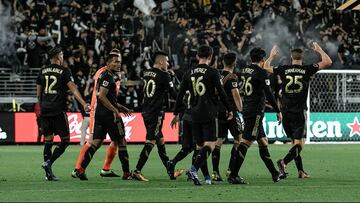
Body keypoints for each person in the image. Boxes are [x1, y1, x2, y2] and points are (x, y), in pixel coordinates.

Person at [264, 42, 332, 178]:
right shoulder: (307, 69)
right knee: (300, 144)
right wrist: (319, 50)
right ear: (302, 57)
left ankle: (300, 171)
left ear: (291, 57)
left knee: (294, 143)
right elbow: (328, 62)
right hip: (299, 111)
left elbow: (266, 67)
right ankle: (283, 162)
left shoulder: (283, 69)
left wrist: (271, 56)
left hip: (285, 111)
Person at [175, 45, 233, 186]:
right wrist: (229, 109)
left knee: (200, 148)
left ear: (197, 56)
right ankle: (194, 169)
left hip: (194, 114)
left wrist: (176, 112)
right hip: (208, 112)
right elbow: (221, 92)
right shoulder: (213, 72)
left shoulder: (188, 73)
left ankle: (206, 177)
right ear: (211, 57)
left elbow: (180, 95)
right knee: (211, 145)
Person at [73, 49, 132, 180]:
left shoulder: (107, 75)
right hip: (108, 115)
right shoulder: (107, 76)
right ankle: (127, 173)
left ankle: (81, 169)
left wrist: (121, 107)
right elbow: (102, 96)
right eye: (115, 62)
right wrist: (115, 110)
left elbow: (108, 98)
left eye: (120, 62)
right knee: (121, 141)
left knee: (95, 142)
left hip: (100, 114)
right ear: (108, 63)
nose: (118, 64)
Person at [227, 47, 283, 184]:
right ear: (263, 60)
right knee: (246, 141)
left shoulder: (246, 70)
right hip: (255, 112)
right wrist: (278, 110)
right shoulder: (261, 73)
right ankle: (233, 175)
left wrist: (271, 56)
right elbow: (269, 93)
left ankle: (274, 173)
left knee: (263, 141)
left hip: (248, 108)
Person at [36, 46, 89, 181]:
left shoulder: (42, 71)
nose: (63, 57)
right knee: (65, 140)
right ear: (58, 56)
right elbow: (73, 89)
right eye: (62, 54)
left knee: (48, 140)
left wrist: (43, 105)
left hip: (45, 110)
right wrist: (83, 103)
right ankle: (48, 163)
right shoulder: (64, 71)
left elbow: (38, 93)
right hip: (58, 110)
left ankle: (48, 174)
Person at [132, 51, 177, 181]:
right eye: (167, 61)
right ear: (161, 62)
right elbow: (173, 93)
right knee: (150, 141)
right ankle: (137, 170)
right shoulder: (164, 75)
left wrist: (169, 76)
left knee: (160, 140)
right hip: (156, 113)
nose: (168, 64)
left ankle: (169, 169)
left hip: (145, 111)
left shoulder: (146, 73)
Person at [211, 52, 243, 182]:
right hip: (230, 112)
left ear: (223, 62)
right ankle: (231, 169)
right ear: (234, 63)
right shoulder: (232, 77)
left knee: (218, 141)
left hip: (217, 111)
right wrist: (240, 108)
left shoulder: (217, 75)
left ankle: (215, 172)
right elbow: (235, 94)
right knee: (239, 140)